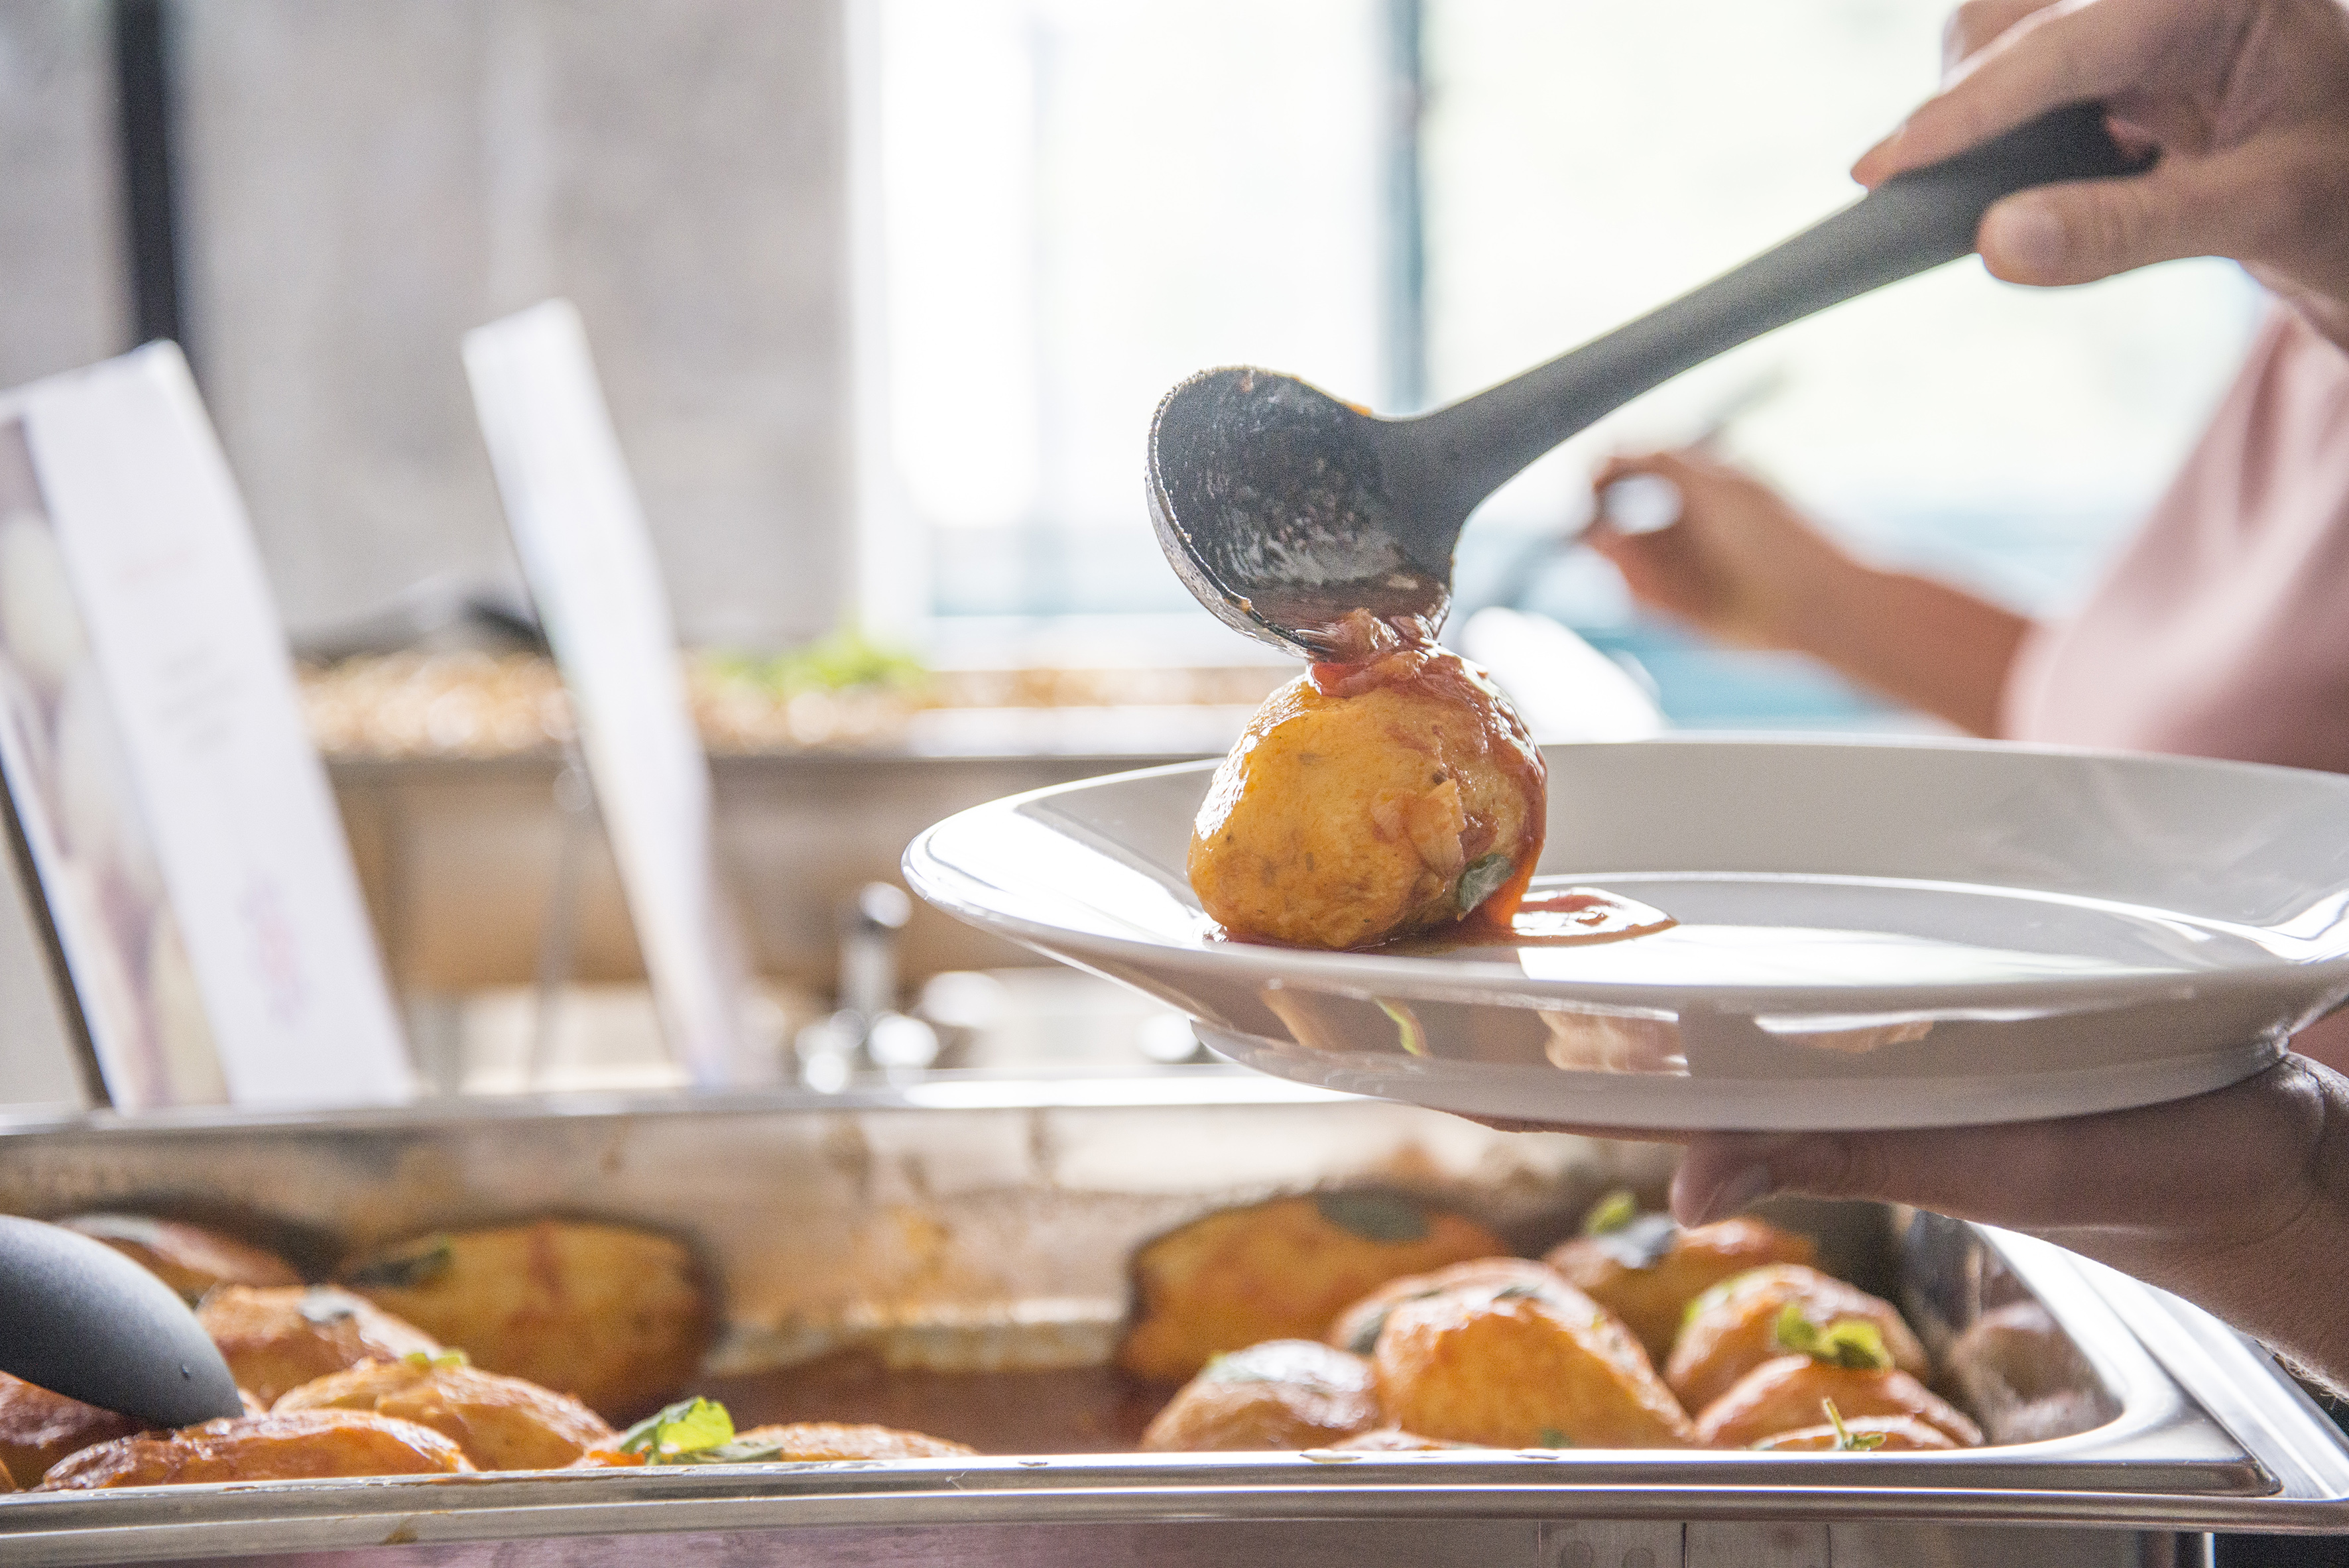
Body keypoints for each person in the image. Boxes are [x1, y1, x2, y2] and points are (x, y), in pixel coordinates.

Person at [1563, 0, 2349, 1399]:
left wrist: (2291, 1203)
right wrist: (1817, 600)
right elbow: (2183, 767)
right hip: (2193, 1312)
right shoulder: (2295, 265)